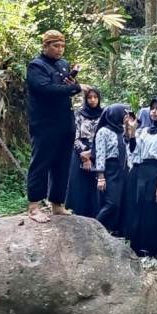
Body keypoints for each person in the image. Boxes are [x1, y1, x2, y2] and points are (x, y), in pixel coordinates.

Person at [25, 30, 81, 223]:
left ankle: (57, 204)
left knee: (63, 163)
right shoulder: (36, 66)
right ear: (45, 46)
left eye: (62, 46)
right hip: (44, 123)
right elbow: (45, 89)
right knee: (41, 162)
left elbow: (66, 89)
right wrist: (74, 88)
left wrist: (72, 84)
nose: (60, 49)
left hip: (65, 121)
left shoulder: (63, 65)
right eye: (55, 46)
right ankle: (34, 206)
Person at [125, 97, 157, 257]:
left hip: (156, 172)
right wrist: (132, 132)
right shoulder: (145, 131)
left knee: (154, 210)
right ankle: (139, 246)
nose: (154, 111)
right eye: (152, 108)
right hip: (142, 171)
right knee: (140, 208)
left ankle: (156, 248)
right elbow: (135, 150)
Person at [93, 103, 133, 235]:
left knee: (122, 202)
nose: (125, 117)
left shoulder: (122, 130)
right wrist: (101, 177)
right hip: (110, 170)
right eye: (124, 114)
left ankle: (114, 230)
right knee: (112, 203)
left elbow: (130, 148)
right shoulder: (103, 131)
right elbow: (99, 154)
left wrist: (128, 128)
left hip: (123, 170)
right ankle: (95, 227)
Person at [64, 86, 103, 217]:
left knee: (95, 183)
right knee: (79, 183)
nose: (92, 100)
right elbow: (75, 135)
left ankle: (96, 215)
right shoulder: (79, 114)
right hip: (80, 150)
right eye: (89, 98)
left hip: (98, 151)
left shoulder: (104, 114)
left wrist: (93, 153)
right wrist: (84, 155)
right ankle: (78, 213)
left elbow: (105, 135)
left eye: (95, 97)